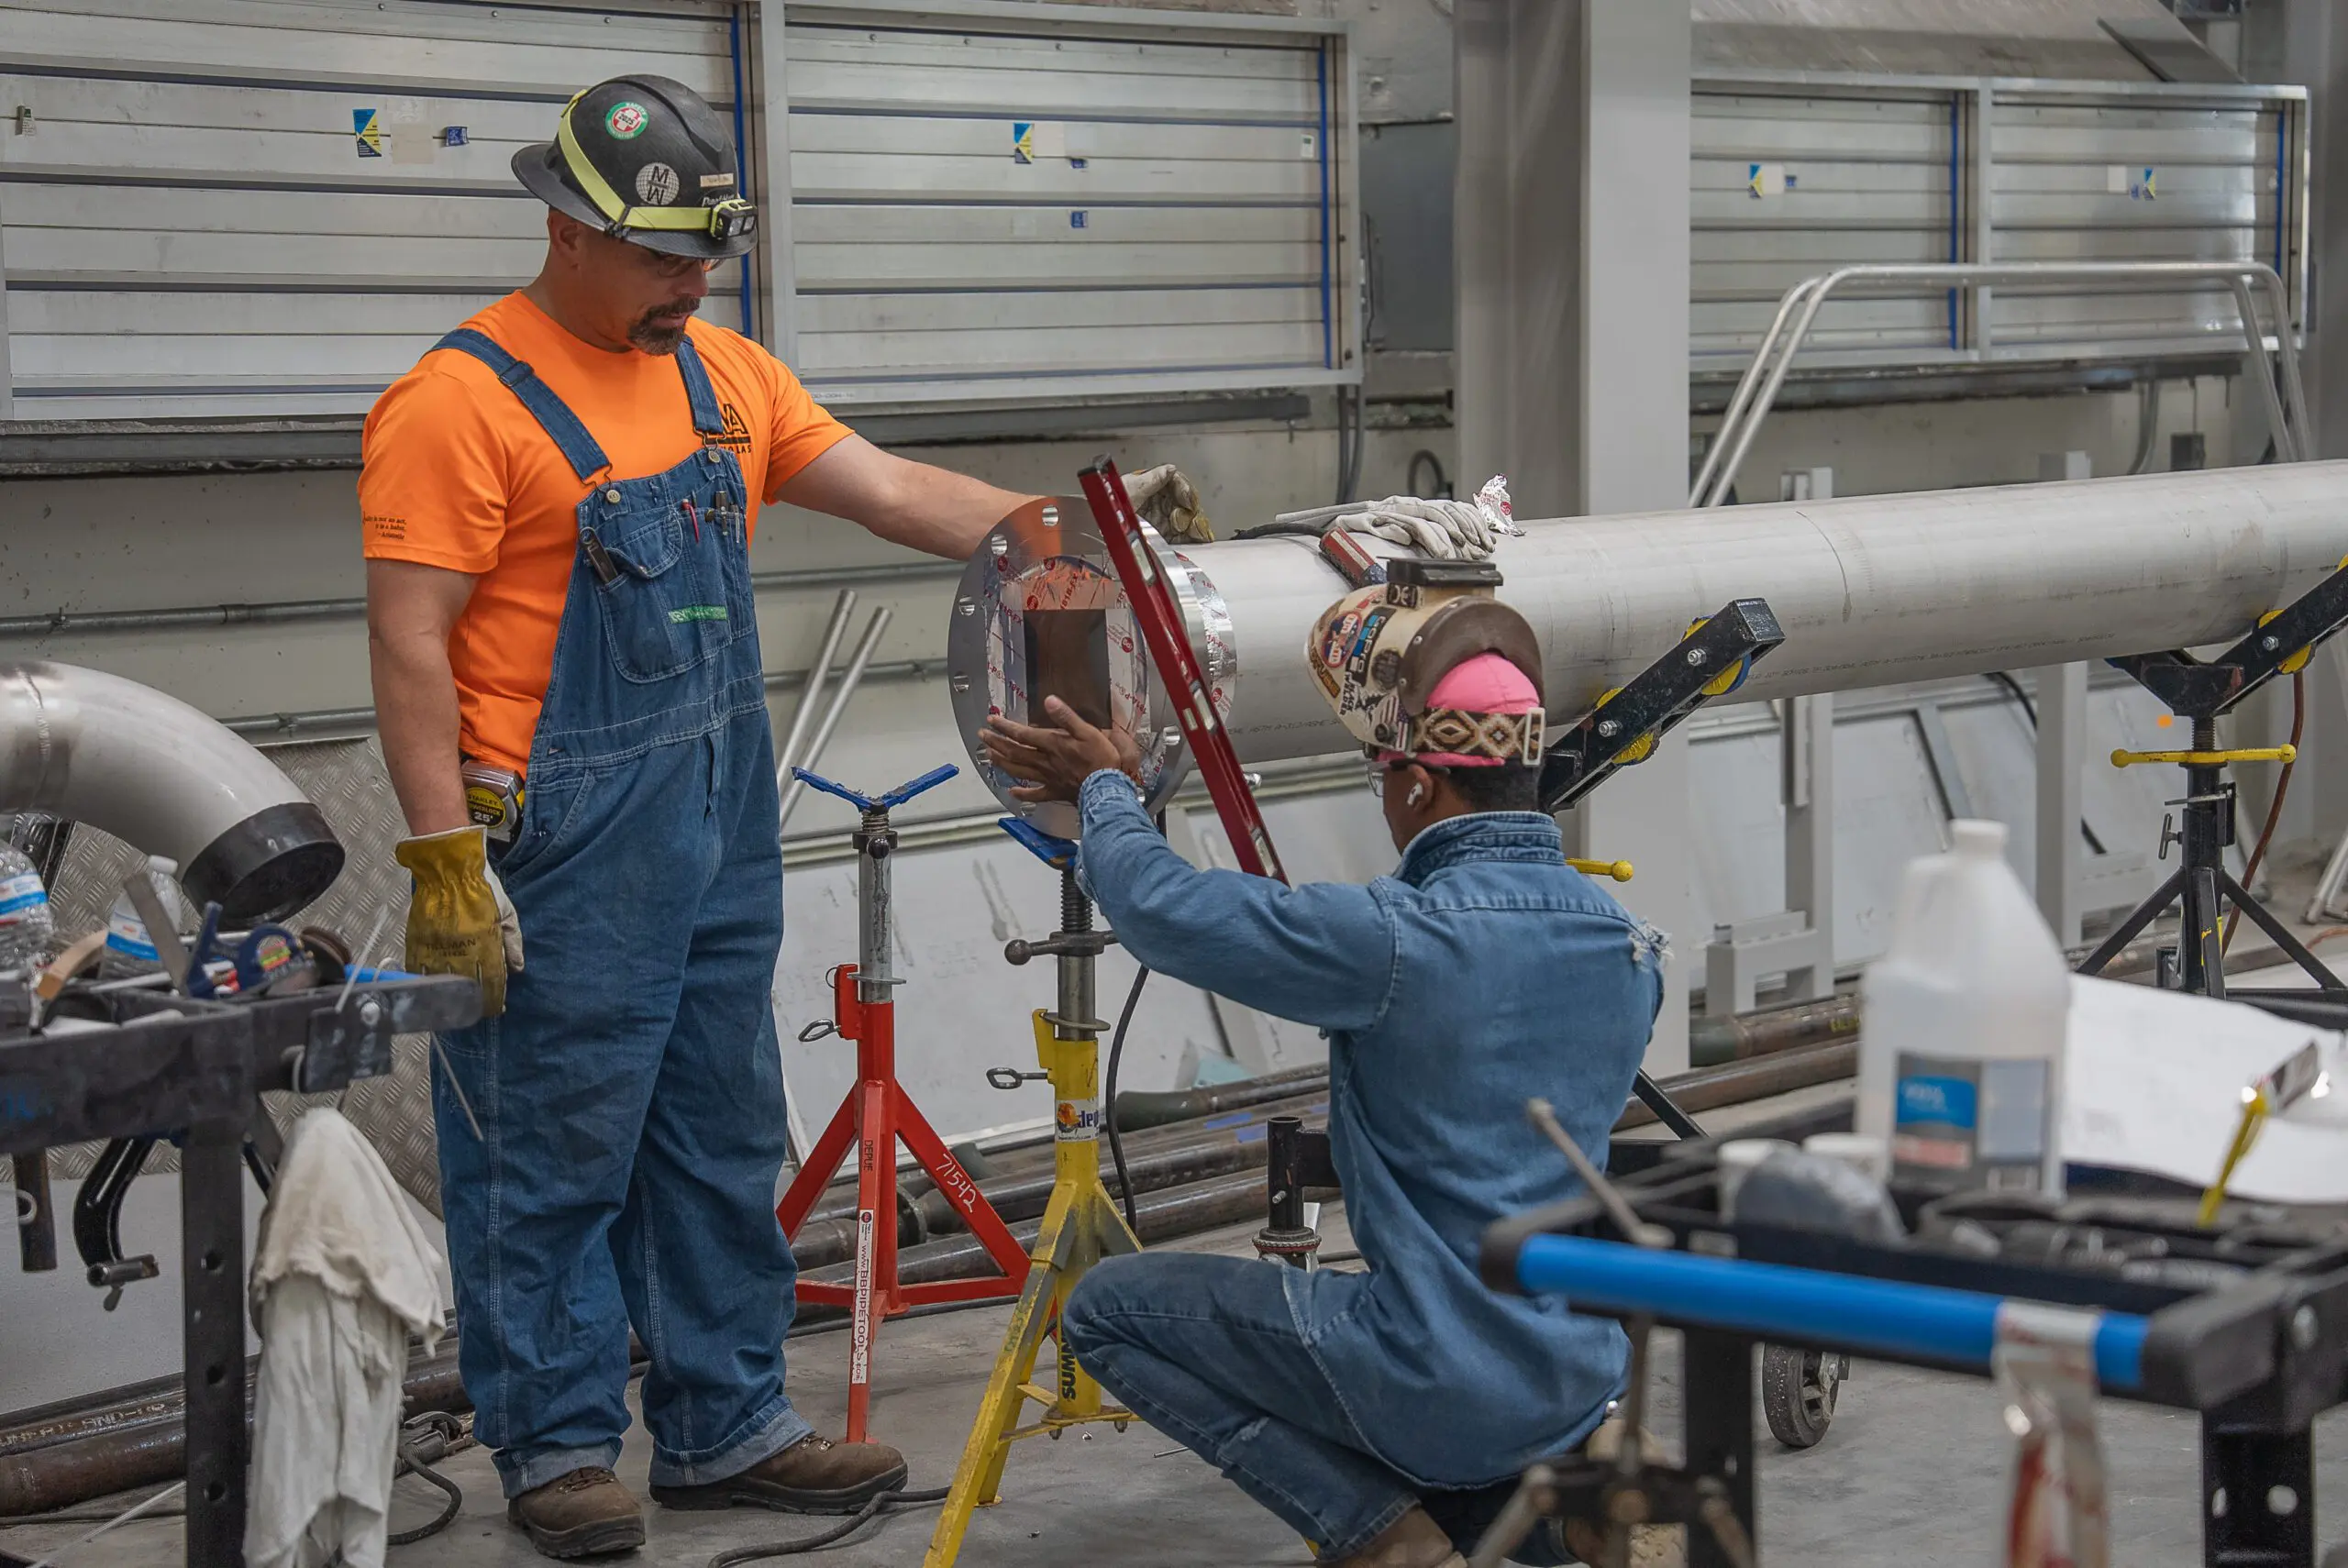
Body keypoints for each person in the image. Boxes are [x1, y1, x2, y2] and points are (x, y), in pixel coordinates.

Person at [360, 75, 1033, 1560]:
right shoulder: (455, 404)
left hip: (716, 810)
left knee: (721, 1127)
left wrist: (1066, 532)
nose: (690, 283)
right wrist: (439, 860)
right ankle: (554, 1445)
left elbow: (898, 490)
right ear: (567, 228)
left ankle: (728, 1423)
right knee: (555, 1145)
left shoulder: (722, 377)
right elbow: (409, 638)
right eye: (661, 257)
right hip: (557, 835)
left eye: (702, 256)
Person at [978, 567, 1665, 1568]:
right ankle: (1558, 1517)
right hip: (1577, 1370)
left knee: (1105, 1313)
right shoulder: (1627, 943)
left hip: (1430, 1365)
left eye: (1381, 778)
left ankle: (1383, 1538)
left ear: (1416, 782)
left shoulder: (1394, 939)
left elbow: (1168, 912)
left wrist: (1106, 795)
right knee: (1458, 1426)